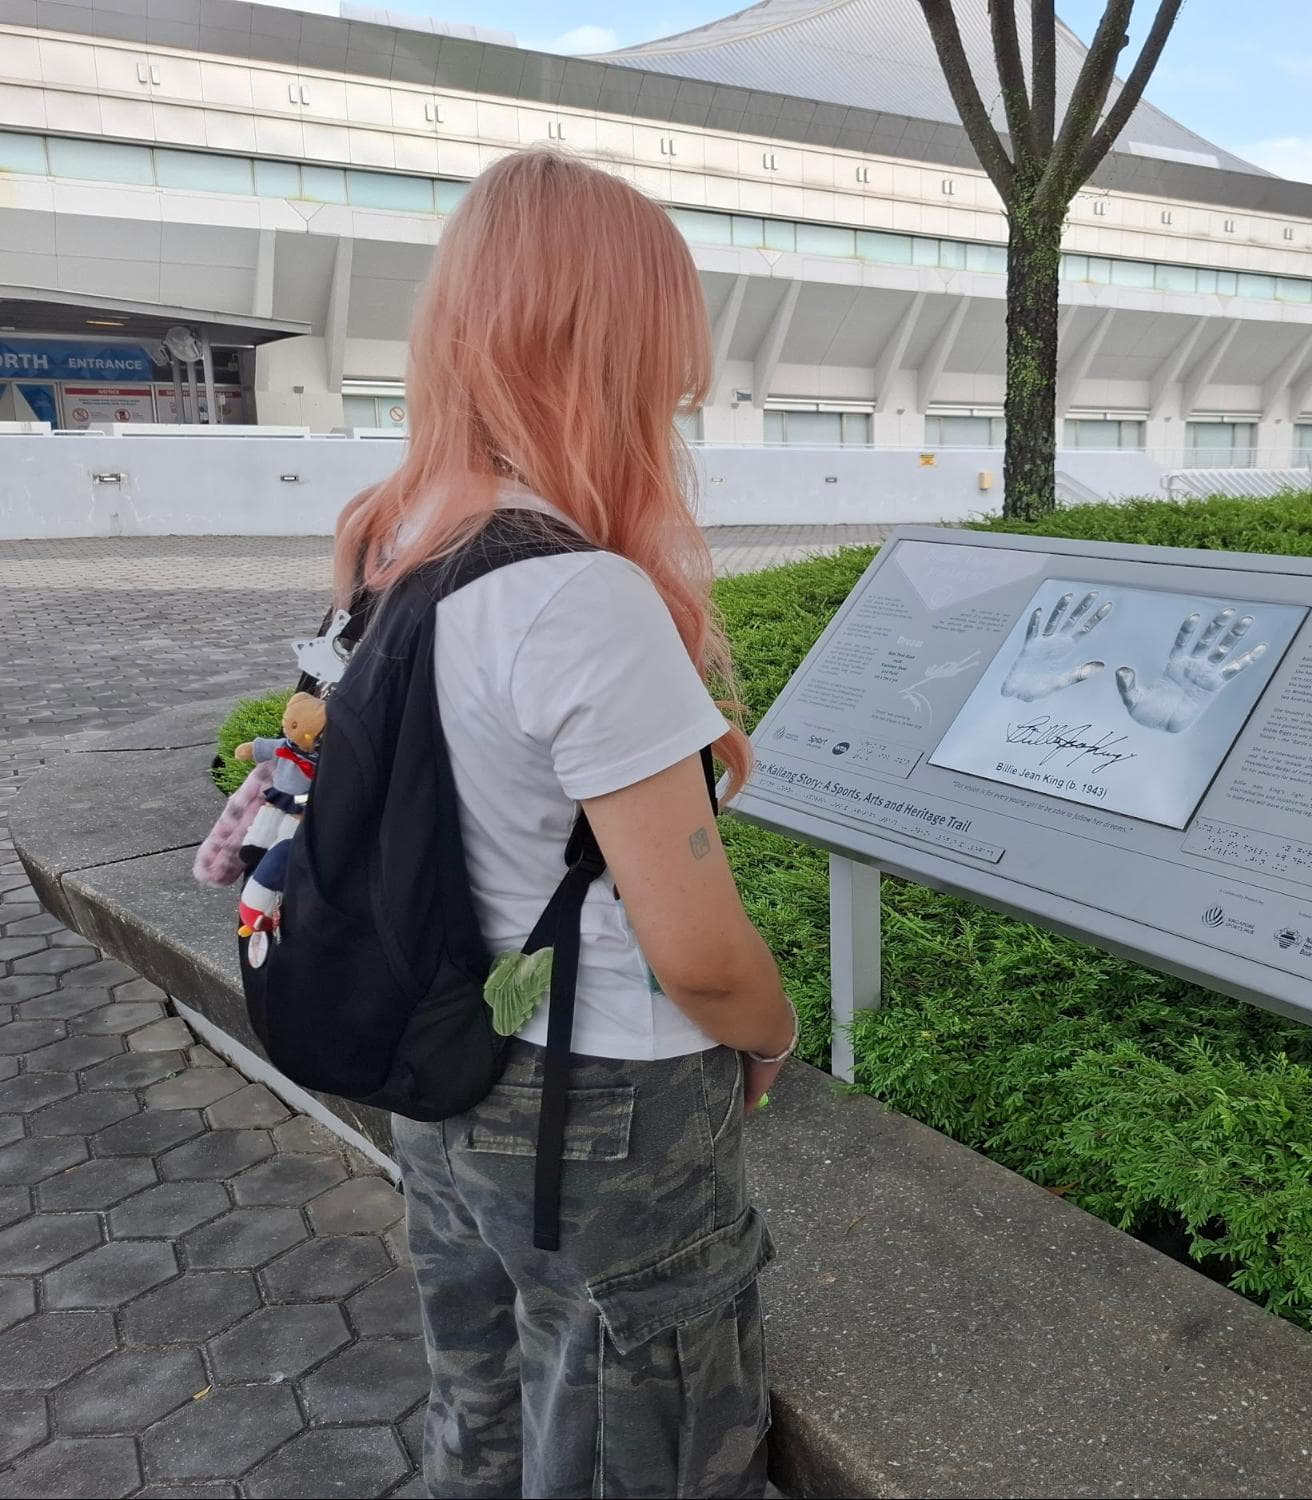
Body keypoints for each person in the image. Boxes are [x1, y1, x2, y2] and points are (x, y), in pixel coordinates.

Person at [330, 149, 798, 1499]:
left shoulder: (394, 536)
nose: (684, 380)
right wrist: (770, 1036)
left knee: (486, 1407)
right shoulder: (577, 593)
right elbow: (698, 954)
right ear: (610, 341)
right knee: (637, 1442)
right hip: (606, 1108)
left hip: (447, 1065)